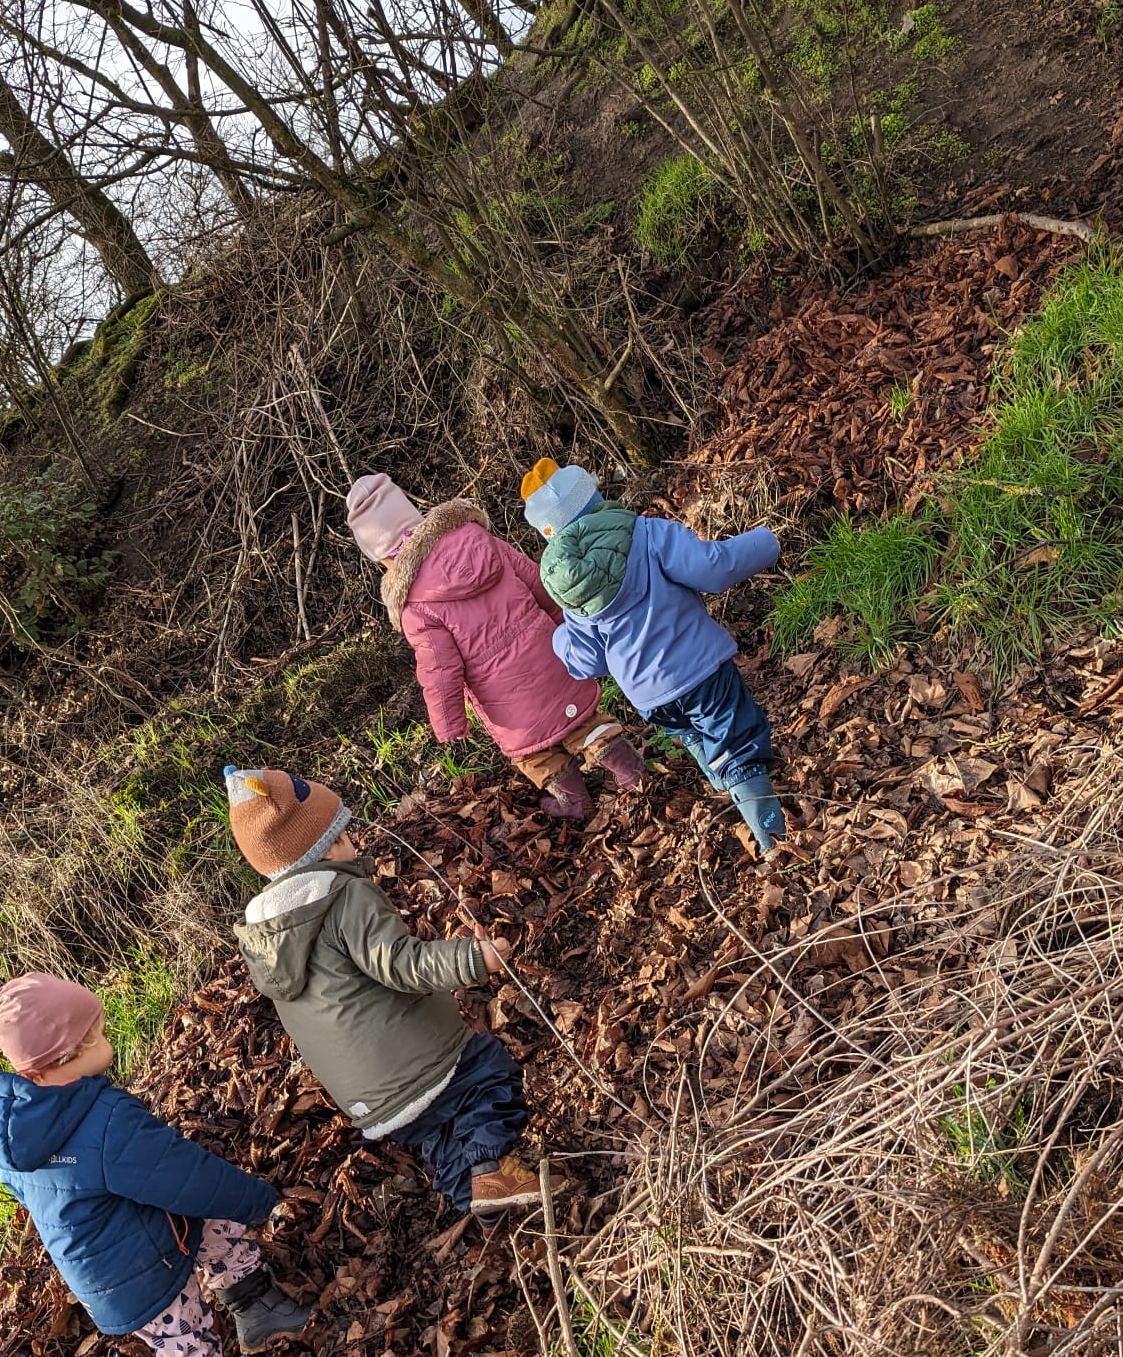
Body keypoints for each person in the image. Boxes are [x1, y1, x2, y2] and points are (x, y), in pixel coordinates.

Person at [0, 973, 305, 1357]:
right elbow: (185, 1175)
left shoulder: (10, 1131)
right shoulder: (104, 1121)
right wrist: (257, 1201)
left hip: (119, 1248)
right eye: (97, 1037)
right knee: (185, 1340)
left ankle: (258, 1309)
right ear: (59, 1062)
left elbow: (38, 1195)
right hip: (134, 1276)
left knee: (211, 1224)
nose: (105, 1042)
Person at [224, 764, 541, 1217]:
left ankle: (477, 1198)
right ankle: (485, 1167)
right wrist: (475, 959)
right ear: (330, 844)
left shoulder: (266, 938)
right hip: (418, 1061)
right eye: (344, 831)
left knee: (436, 1133)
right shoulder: (343, 896)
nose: (352, 840)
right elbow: (400, 963)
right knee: (489, 1075)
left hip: (368, 1097)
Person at [522, 459, 789, 856]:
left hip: (651, 698)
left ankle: (730, 787)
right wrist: (767, 541)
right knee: (737, 748)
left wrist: (560, 637)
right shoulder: (646, 533)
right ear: (594, 499)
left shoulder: (571, 590)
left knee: (694, 734)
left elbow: (587, 662)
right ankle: (777, 842)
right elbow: (713, 569)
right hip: (700, 670)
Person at [346, 471, 646, 822]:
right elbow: (537, 581)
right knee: (583, 719)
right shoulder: (476, 538)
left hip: (506, 701)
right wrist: (572, 630)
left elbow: (439, 669)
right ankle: (631, 773)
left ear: (383, 557)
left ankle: (575, 802)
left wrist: (449, 723)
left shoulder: (415, 605)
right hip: (552, 657)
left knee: (533, 753)